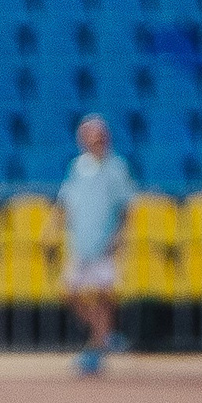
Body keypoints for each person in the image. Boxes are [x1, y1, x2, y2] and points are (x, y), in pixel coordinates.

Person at [59, 114, 137, 375]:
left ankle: (95, 351)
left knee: (105, 295)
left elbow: (126, 207)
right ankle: (104, 334)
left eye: (100, 136)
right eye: (91, 136)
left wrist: (119, 237)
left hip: (105, 243)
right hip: (81, 242)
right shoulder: (78, 167)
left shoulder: (117, 168)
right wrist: (54, 226)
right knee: (69, 291)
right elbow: (67, 201)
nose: (96, 140)